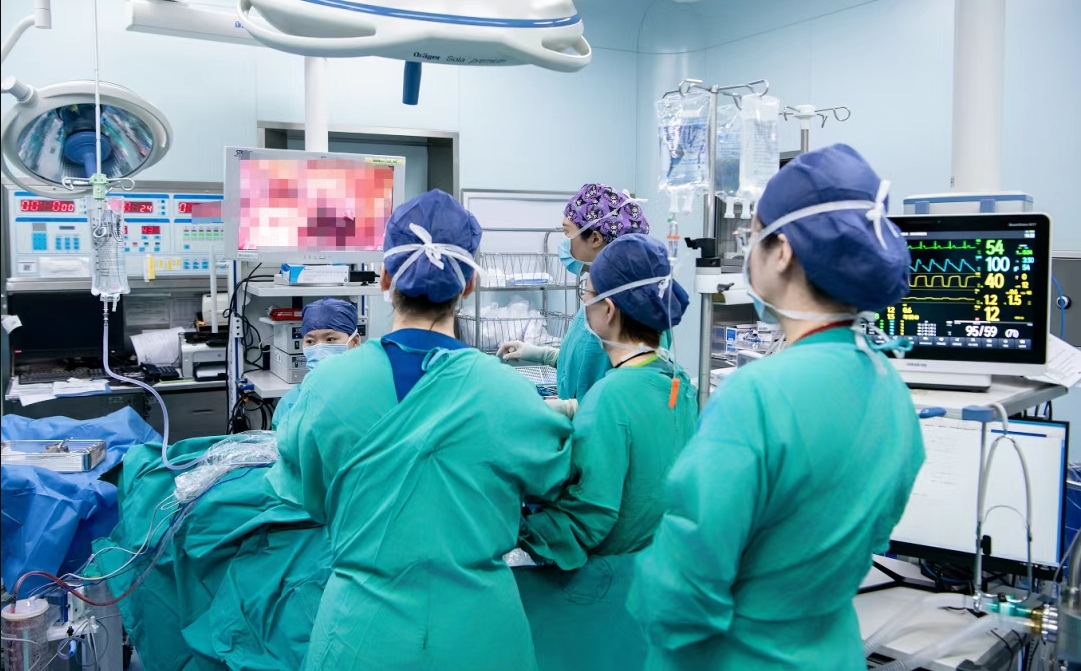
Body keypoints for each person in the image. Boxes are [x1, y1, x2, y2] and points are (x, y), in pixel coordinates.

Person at [628, 144, 926, 671]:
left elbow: (685, 581)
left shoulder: (758, 396)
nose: (749, 253)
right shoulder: (889, 388)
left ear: (782, 251)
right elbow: (874, 535)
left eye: (753, 238)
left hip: (738, 655)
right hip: (832, 650)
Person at [268, 189, 574, 671]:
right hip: (481, 639)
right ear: (469, 284)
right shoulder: (509, 393)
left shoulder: (326, 386)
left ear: (386, 279)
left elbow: (306, 493)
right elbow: (553, 484)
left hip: (362, 636)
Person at [514, 234, 698, 671]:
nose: (584, 304)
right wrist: (573, 411)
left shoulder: (611, 397)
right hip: (657, 574)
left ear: (608, 310)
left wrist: (518, 527)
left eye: (586, 294)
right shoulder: (675, 378)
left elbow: (589, 518)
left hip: (608, 588)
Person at [498, 183, 658, 402]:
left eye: (567, 232)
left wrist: (574, 409)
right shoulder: (598, 296)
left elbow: (630, 396)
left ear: (595, 239)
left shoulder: (627, 305)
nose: (564, 242)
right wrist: (542, 354)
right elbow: (587, 362)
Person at [271, 297, 361, 429]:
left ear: (355, 341)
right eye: (310, 341)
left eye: (330, 339)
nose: (319, 348)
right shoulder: (291, 403)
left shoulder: (367, 393)